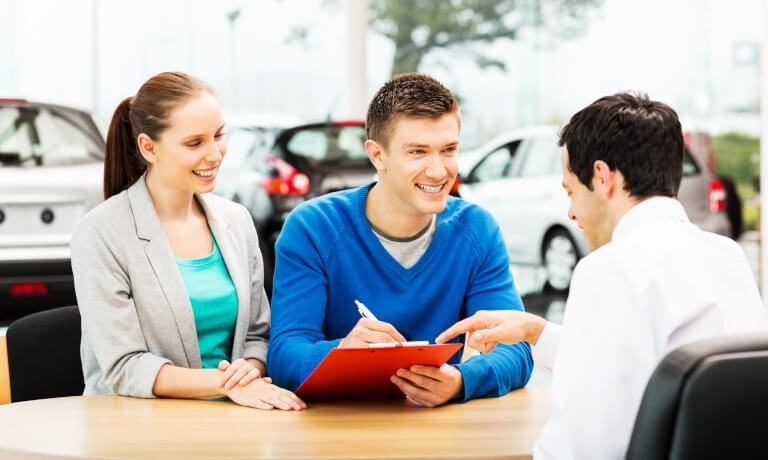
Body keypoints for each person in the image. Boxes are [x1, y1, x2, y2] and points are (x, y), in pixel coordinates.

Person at [437, 92, 768, 458]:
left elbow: (581, 446)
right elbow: (654, 372)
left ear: (602, 177)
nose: (572, 214)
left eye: (571, 192)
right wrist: (536, 332)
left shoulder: (610, 269)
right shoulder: (727, 256)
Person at [267, 73, 533, 407]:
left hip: (437, 431)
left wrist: (461, 381)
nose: (438, 171)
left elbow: (517, 348)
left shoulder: (477, 229)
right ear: (377, 155)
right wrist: (342, 352)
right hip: (335, 430)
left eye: (448, 150)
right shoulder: (313, 228)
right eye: (418, 152)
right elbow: (284, 354)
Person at [71, 71, 305, 411]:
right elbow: (124, 366)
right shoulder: (101, 232)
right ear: (149, 148)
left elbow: (258, 336)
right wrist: (228, 384)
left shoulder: (236, 221)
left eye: (219, 135)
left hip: (234, 414)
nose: (214, 154)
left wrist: (249, 372)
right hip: (136, 425)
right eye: (195, 143)